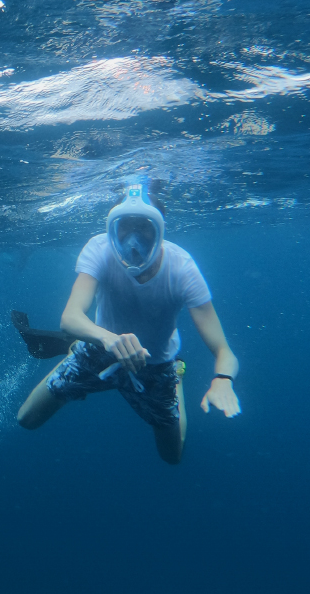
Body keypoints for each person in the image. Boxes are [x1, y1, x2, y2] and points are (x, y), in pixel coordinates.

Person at [16, 181, 241, 464]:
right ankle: (78, 346)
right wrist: (108, 339)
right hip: (99, 349)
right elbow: (70, 317)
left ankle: (177, 373)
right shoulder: (100, 249)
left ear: (160, 230)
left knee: (172, 456)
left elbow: (224, 352)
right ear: (113, 226)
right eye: (125, 226)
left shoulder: (182, 269)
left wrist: (223, 380)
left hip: (155, 365)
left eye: (144, 227)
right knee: (26, 419)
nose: (133, 240)